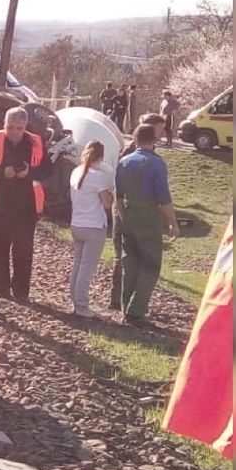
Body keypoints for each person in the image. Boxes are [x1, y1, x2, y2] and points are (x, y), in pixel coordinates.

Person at [0, 106, 53, 301]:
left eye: (18, 128)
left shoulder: (36, 142)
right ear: (5, 124)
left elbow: (47, 170)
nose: (14, 132)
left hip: (26, 206)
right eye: (10, 127)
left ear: (25, 126)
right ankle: (1, 290)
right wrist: (2, 172)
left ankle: (21, 292)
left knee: (24, 250)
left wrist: (29, 173)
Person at [116, 123, 180, 326]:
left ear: (135, 139)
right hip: (148, 216)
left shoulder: (124, 161)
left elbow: (118, 196)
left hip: (128, 213)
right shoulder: (156, 164)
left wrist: (123, 217)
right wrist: (173, 222)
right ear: (154, 140)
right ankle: (137, 310)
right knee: (151, 264)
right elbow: (164, 198)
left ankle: (126, 306)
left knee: (130, 262)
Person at [110, 113, 168, 309]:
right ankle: (119, 300)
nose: (161, 134)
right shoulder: (131, 152)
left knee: (132, 257)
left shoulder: (147, 152)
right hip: (127, 209)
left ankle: (129, 302)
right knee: (125, 257)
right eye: (159, 130)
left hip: (130, 208)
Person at [68, 141, 114, 317]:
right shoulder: (98, 176)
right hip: (93, 225)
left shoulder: (76, 172)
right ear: (101, 157)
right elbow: (107, 203)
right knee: (87, 267)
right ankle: (81, 305)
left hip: (77, 222)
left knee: (78, 264)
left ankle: (75, 299)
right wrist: (110, 192)